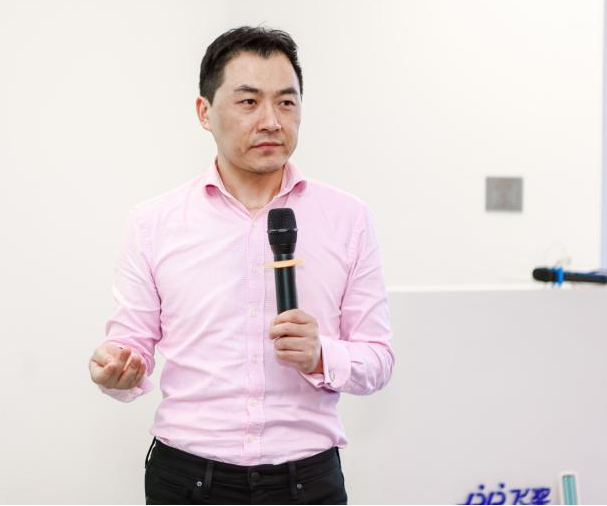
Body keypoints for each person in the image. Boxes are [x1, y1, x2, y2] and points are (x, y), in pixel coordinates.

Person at [88, 26, 394, 505]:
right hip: (187, 480)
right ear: (204, 112)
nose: (271, 121)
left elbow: (379, 358)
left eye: (286, 102)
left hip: (307, 482)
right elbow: (131, 344)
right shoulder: (153, 224)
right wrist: (117, 369)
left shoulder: (348, 219)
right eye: (249, 102)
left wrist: (321, 355)